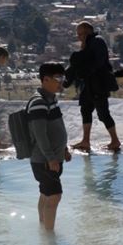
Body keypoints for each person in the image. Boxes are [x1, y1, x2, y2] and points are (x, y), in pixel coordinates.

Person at [29, 63, 71, 231]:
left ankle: (43, 229)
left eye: (63, 78)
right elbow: (40, 134)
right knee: (54, 196)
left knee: (46, 194)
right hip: (45, 160)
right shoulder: (38, 102)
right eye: (58, 79)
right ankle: (49, 239)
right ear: (45, 79)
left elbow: (57, 129)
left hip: (52, 158)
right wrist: (51, 157)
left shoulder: (51, 99)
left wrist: (64, 149)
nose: (61, 82)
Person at [69, 21, 121, 151]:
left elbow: (98, 61)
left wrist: (85, 70)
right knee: (85, 110)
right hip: (89, 84)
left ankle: (115, 140)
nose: (79, 37)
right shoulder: (88, 44)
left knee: (103, 113)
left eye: (80, 34)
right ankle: (85, 141)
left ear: (88, 32)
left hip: (99, 83)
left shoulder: (97, 41)